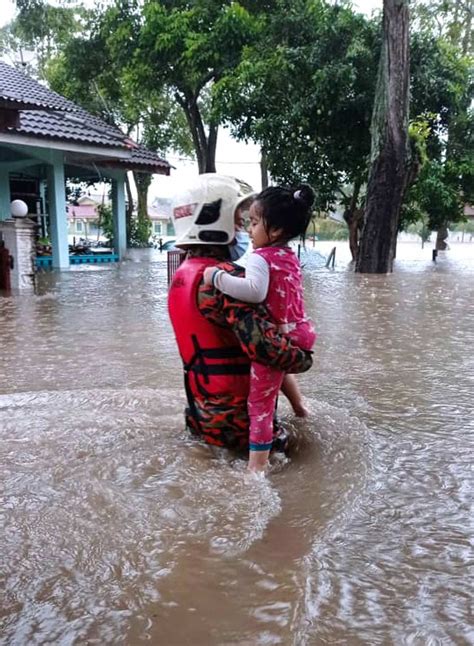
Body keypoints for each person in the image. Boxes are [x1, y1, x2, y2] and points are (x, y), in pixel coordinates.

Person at [167, 174, 313, 470]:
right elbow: (268, 349)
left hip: (199, 416)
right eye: (236, 220)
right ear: (212, 224)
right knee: (302, 461)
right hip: (238, 426)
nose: (243, 228)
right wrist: (303, 356)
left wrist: (299, 406)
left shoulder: (182, 275)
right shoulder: (222, 283)